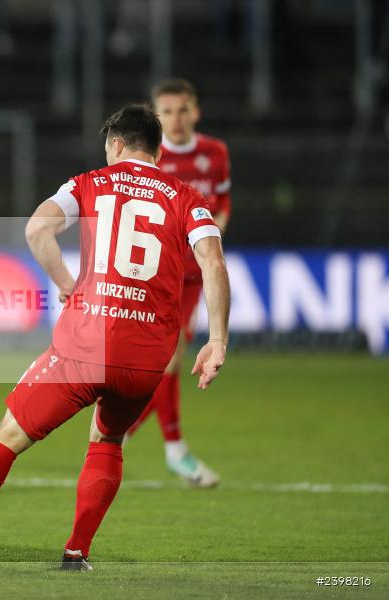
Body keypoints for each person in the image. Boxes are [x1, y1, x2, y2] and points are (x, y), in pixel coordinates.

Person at [0, 104, 231, 570]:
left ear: (116, 145)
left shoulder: (89, 183)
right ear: (158, 151)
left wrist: (66, 283)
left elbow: (38, 229)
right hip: (148, 358)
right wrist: (217, 340)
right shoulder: (187, 197)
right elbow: (213, 263)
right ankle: (77, 552)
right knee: (107, 440)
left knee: (8, 435)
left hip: (88, 344)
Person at [127, 79, 232, 488]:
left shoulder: (215, 153)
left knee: (168, 359)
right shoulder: (152, 156)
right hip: (157, 274)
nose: (175, 118)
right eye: (166, 111)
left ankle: (158, 442)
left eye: (182, 109)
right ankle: (149, 437)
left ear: (195, 111)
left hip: (193, 278)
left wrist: (210, 237)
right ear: (156, 116)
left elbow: (221, 202)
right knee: (161, 361)